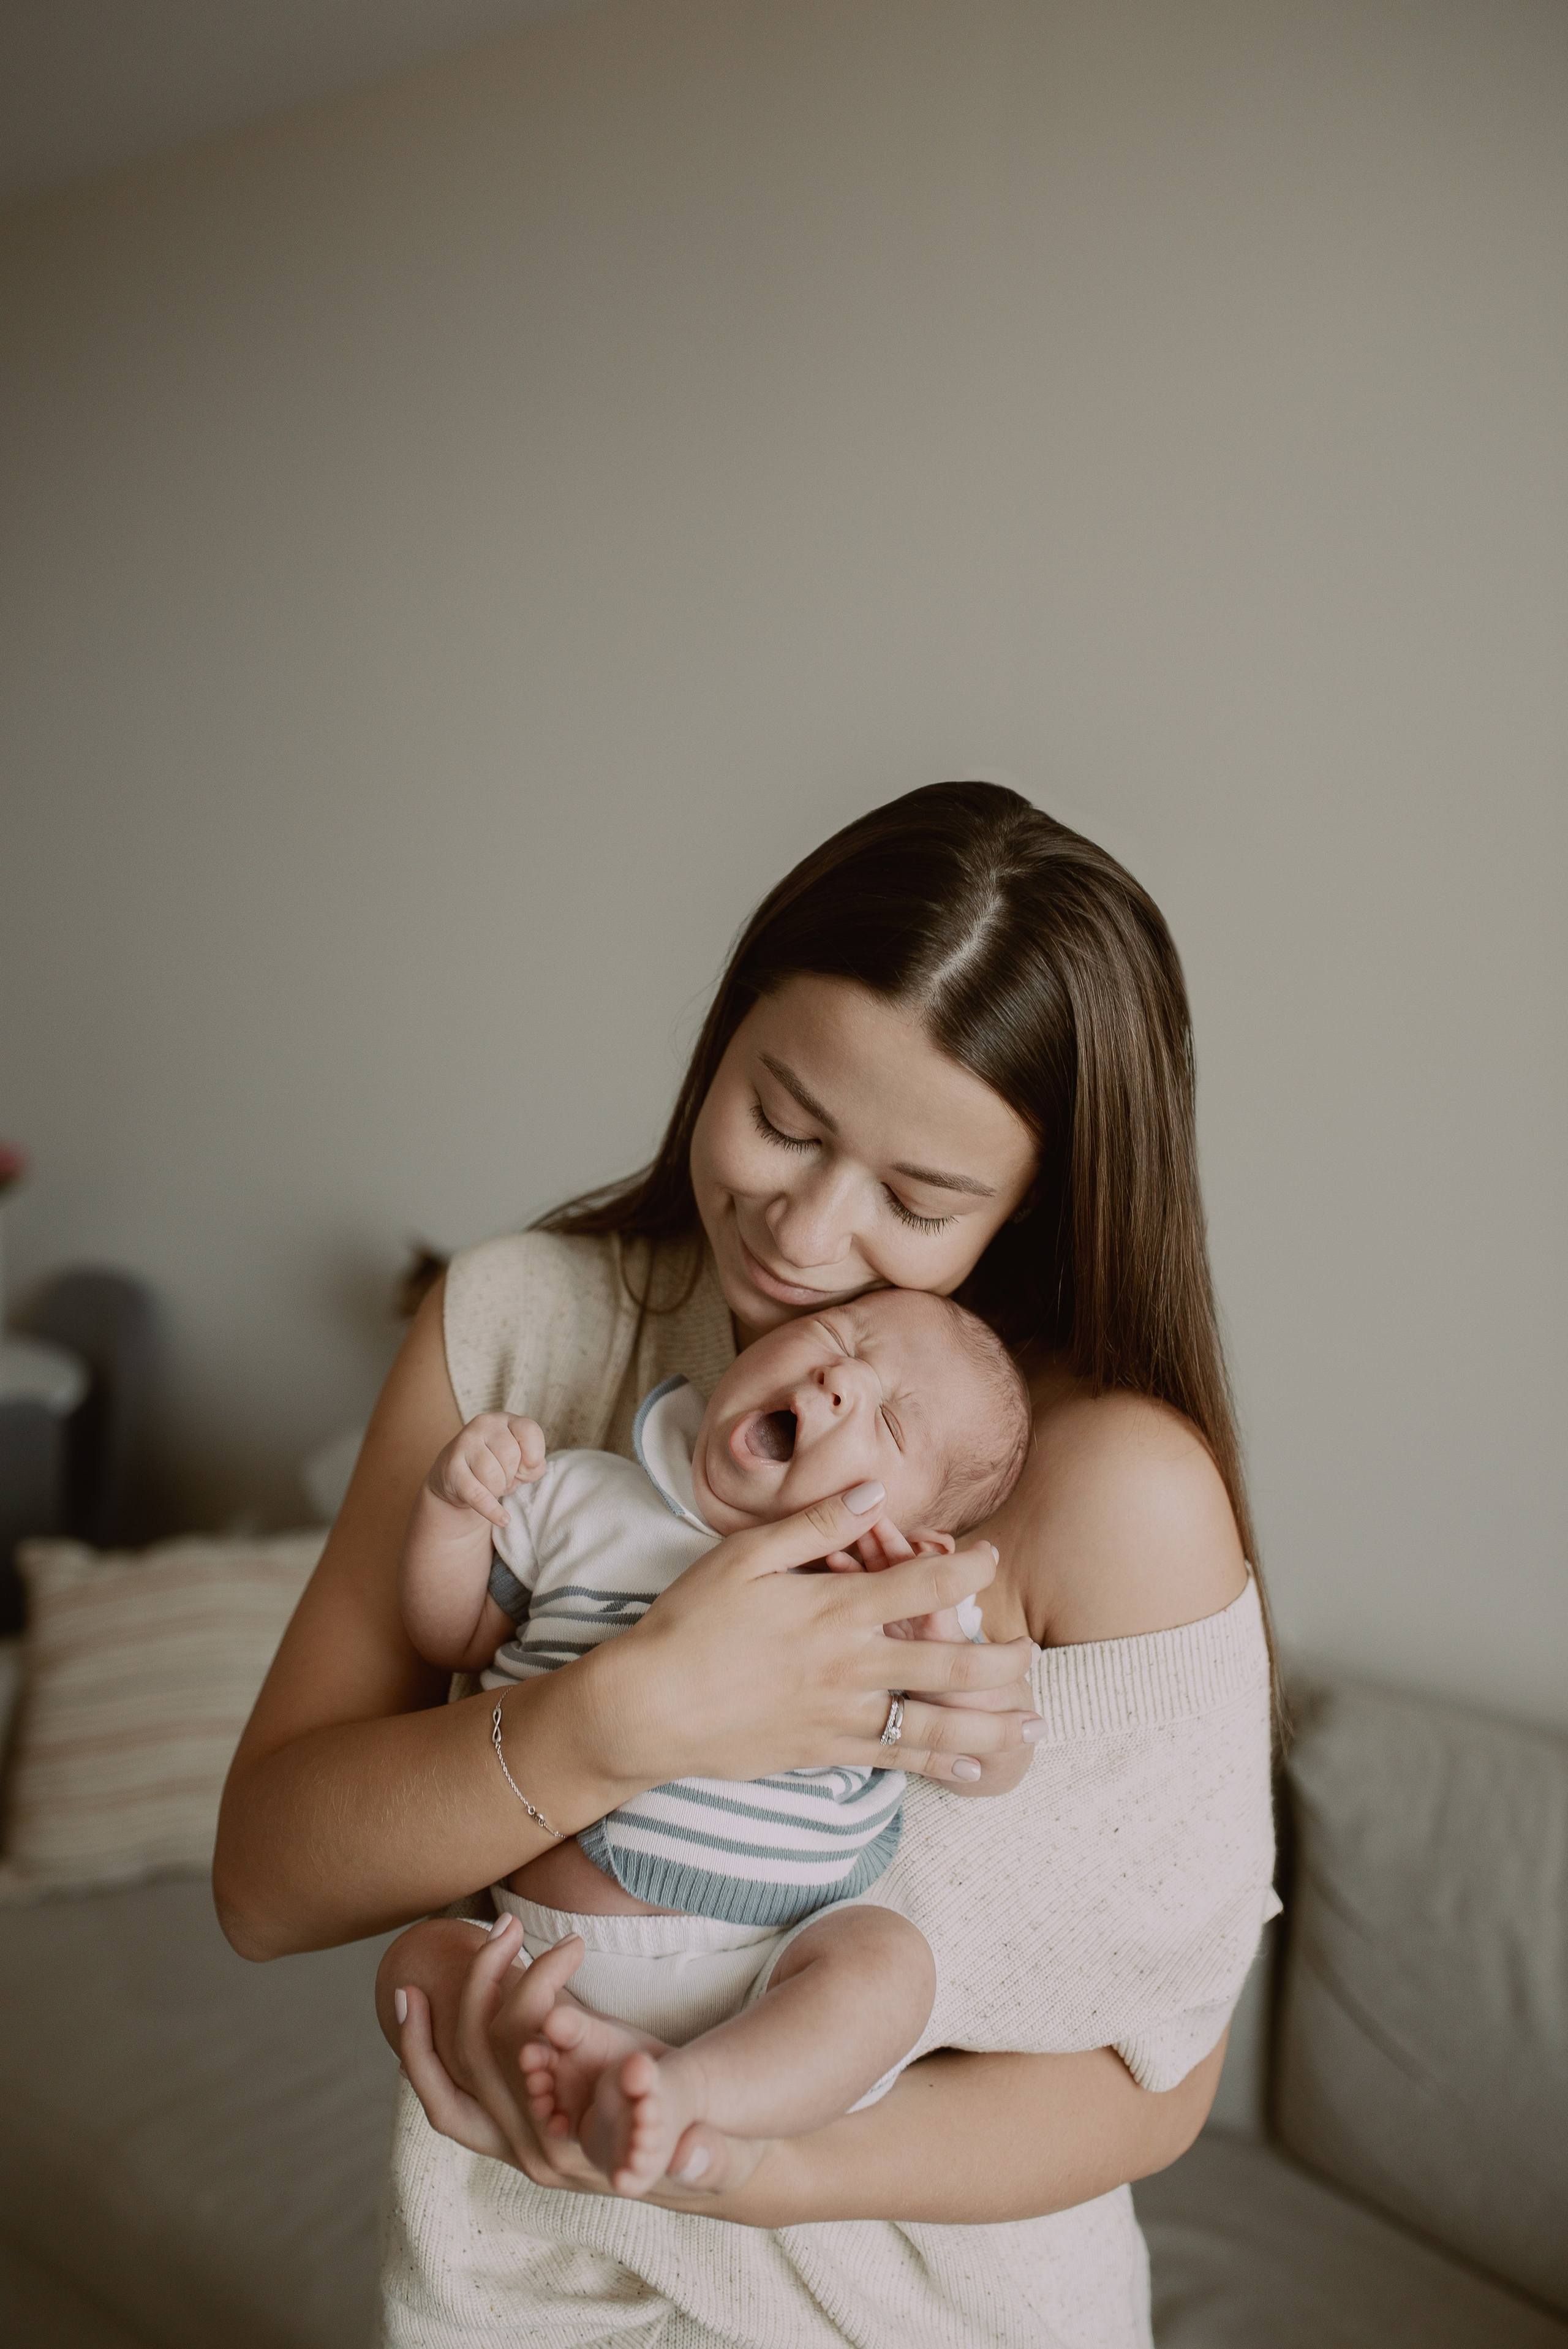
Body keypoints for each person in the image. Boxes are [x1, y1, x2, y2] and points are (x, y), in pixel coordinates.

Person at [215, 781, 1278, 2349]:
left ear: (1032, 1206)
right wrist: (625, 1716)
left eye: (919, 1201)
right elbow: (265, 1884)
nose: (803, 1229)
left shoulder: (1108, 1487)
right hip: (510, 2295)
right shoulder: (522, 1328)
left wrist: (739, 2162)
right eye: (781, 1117)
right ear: (721, 1036)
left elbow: (1151, 2085)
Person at [396, 1288, 1033, 2196]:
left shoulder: (891, 1605)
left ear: (922, 1527)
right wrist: (452, 1510)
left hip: (768, 1967)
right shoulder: (582, 1493)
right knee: (420, 1962)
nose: (841, 1376)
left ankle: (690, 2087)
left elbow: (987, 1758)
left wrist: (939, 1652)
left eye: (891, 1421)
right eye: (837, 1338)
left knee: (889, 1963)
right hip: (542, 1953)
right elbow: (452, 1636)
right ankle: (577, 2063)